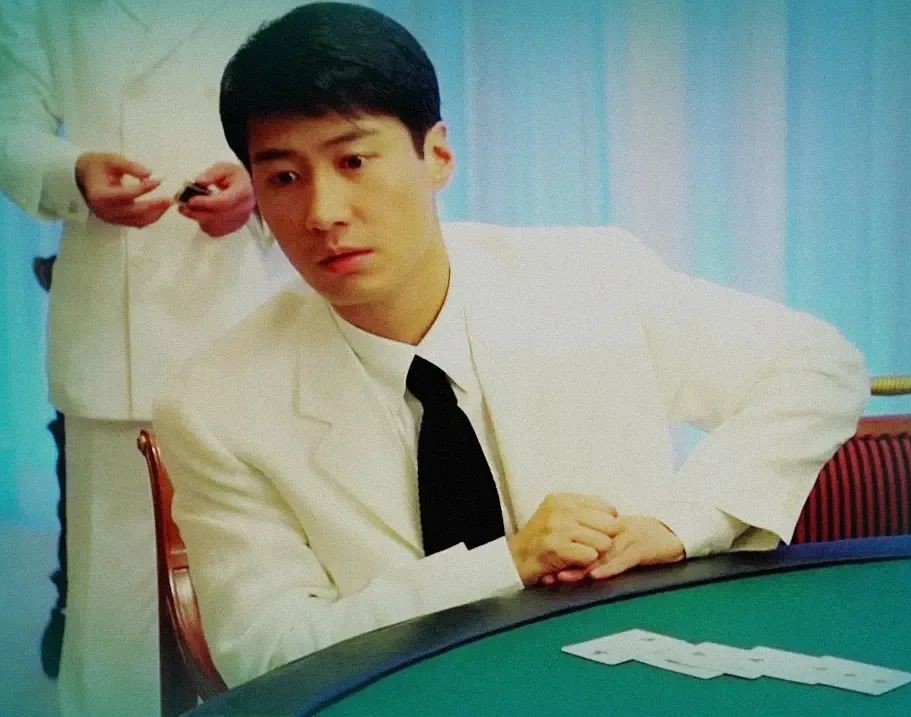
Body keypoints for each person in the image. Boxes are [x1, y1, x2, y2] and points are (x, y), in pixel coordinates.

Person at [153, 2, 869, 688]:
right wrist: (505, 565)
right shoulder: (215, 406)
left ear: (437, 156)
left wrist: (679, 524)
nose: (323, 212)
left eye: (354, 162)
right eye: (283, 177)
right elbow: (267, 652)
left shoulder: (589, 277)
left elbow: (817, 365)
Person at [0, 2, 302, 714]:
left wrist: (260, 183)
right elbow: (9, 126)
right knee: (117, 600)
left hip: (248, 304)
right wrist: (73, 172)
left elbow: (312, 118)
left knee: (262, 574)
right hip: (115, 324)